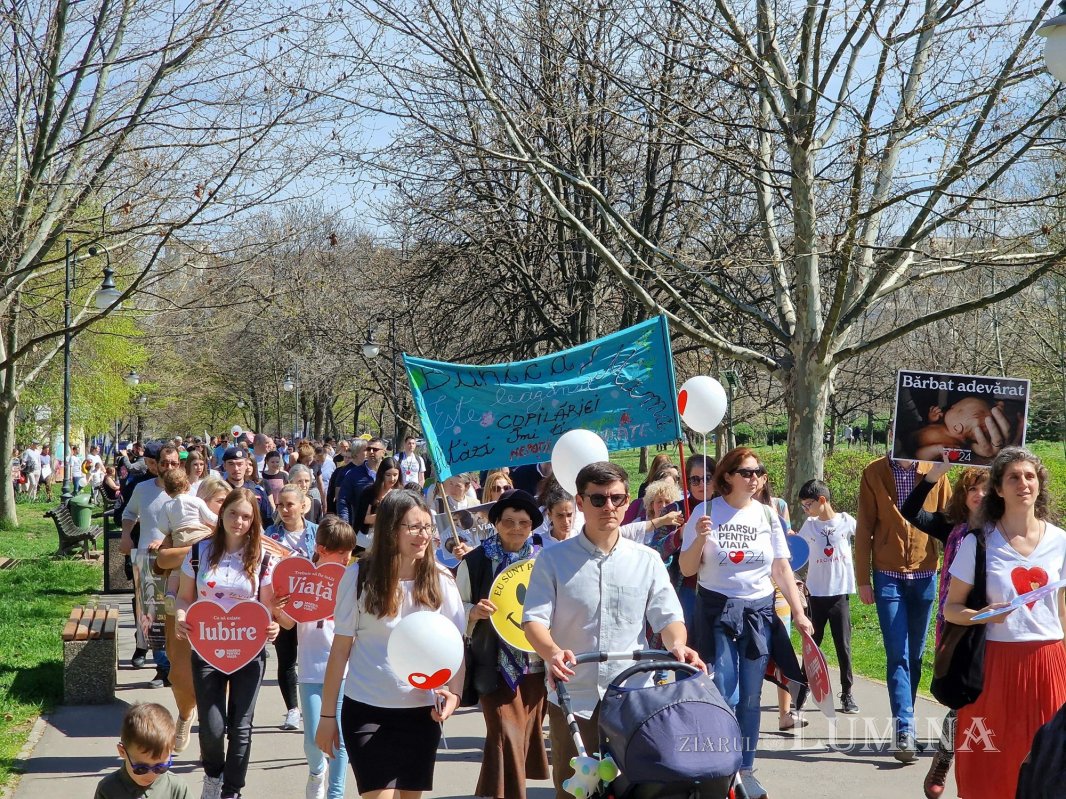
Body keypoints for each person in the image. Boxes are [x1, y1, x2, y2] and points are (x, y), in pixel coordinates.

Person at [523, 461, 702, 799]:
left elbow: (668, 617)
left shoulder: (646, 560)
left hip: (632, 697)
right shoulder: (552, 560)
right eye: (598, 499)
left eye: (617, 499)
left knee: (637, 788)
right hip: (574, 697)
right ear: (580, 503)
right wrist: (552, 652)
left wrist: (678, 645)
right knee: (575, 790)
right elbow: (533, 621)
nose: (609, 507)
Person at [679, 448, 812, 799]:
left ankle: (746, 769)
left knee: (751, 696)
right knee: (724, 685)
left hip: (758, 612)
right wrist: (702, 539)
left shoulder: (768, 515)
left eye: (758, 472)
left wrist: (798, 613)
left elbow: (781, 568)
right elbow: (687, 569)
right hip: (716, 610)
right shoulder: (704, 513)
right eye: (746, 472)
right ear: (727, 476)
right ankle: (719, 764)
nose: (754, 478)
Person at [315, 490, 465, 798]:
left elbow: (456, 648)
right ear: (390, 529)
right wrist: (327, 717)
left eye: (427, 527)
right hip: (367, 710)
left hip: (421, 714)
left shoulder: (441, 580)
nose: (423, 535)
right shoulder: (358, 577)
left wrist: (454, 693)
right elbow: (340, 650)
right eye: (413, 527)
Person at [944, 447, 1066, 799]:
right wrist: (982, 615)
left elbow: (1061, 611)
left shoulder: (1060, 542)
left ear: (1039, 485)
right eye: (1013, 477)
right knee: (991, 763)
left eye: (1030, 476)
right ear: (998, 488)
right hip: (994, 667)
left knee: (1049, 762)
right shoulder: (979, 543)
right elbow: (952, 608)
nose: (1023, 484)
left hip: (1049, 664)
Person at [175, 488, 280, 799]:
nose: (239, 521)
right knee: (212, 727)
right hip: (206, 648)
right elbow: (184, 597)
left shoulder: (263, 557)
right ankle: (213, 775)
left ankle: (232, 789)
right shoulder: (199, 552)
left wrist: (273, 626)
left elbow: (268, 607)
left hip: (249, 650)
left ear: (254, 521)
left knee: (241, 726)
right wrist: (182, 616)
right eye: (233, 513)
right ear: (221, 515)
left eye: (247, 517)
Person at [854, 448, 951, 762]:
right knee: (898, 653)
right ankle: (905, 730)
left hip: (925, 573)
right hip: (888, 576)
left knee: (916, 655)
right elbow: (865, 528)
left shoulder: (935, 470)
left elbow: (949, 523)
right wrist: (863, 579)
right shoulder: (875, 471)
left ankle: (905, 725)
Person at [900, 457, 988, 799]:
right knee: (963, 699)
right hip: (961, 623)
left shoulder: (1007, 530)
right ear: (963, 495)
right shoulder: (951, 528)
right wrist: (933, 476)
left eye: (986, 488)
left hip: (1002, 623)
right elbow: (910, 510)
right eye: (972, 489)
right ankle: (944, 758)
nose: (979, 495)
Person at [456, 489, 549, 799]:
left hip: (534, 666)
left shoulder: (545, 561)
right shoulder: (475, 561)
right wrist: (473, 612)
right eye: (509, 521)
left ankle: (490, 793)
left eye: (524, 522)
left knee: (519, 740)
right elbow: (453, 608)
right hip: (492, 666)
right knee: (504, 735)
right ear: (495, 523)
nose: (516, 528)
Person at [276, 516, 355, 799]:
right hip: (310, 670)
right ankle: (316, 771)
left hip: (344, 671)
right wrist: (276, 607)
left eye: (350, 551)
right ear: (322, 549)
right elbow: (287, 622)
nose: (347, 557)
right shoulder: (302, 579)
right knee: (312, 739)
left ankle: (335, 793)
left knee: (340, 739)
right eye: (342, 551)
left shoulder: (350, 581)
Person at [155, 476, 231, 753]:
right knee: (181, 676)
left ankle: (211, 741)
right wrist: (200, 549)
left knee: (221, 675)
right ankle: (186, 714)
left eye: (228, 504)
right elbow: (163, 559)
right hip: (184, 611)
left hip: (219, 613)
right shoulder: (182, 525)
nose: (224, 510)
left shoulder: (231, 536)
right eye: (220, 502)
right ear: (203, 502)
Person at [122, 443, 183, 687]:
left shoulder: (186, 490)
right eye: (165, 463)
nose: (169, 468)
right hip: (148, 560)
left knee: (177, 612)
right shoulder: (143, 489)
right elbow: (129, 513)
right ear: (155, 464)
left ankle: (180, 667)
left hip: (179, 559)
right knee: (153, 617)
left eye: (174, 463)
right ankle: (163, 669)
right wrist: (126, 535)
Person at [797, 479, 859, 715]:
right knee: (813, 645)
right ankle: (804, 689)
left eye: (808, 504)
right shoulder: (810, 525)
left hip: (839, 595)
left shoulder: (845, 521)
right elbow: (797, 547)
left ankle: (847, 693)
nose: (806, 510)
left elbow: (865, 538)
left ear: (822, 501)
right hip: (815, 594)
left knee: (843, 645)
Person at [264, 483, 320, 731]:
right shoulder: (269, 536)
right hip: (282, 605)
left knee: (313, 660)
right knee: (286, 659)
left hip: (312, 607)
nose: (285, 509)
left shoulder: (318, 534)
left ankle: (317, 709)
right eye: (280, 505)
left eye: (290, 504)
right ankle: (292, 710)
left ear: (302, 506)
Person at [94, 702, 188, 799]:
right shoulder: (108, 789)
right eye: (141, 768)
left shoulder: (176, 787)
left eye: (160, 767)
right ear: (122, 752)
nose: (151, 774)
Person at [352, 457, 400, 551]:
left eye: (395, 475)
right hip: (367, 539)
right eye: (388, 475)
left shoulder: (400, 493)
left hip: (390, 540)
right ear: (382, 474)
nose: (392, 479)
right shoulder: (370, 492)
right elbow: (362, 518)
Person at [336, 438, 385, 525]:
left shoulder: (390, 473)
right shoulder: (353, 474)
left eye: (375, 449)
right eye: (368, 449)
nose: (371, 452)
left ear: (383, 452)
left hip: (385, 528)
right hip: (360, 530)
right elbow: (343, 500)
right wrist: (345, 523)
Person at [220, 446, 272, 523]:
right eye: (231, 464)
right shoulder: (219, 491)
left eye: (240, 464)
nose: (236, 468)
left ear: (246, 465)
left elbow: (267, 519)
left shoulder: (257, 490)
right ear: (224, 466)